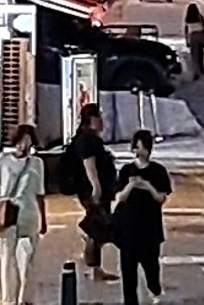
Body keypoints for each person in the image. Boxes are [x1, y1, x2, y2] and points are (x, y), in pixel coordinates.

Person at [0, 125, 46, 305]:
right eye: (22, 140)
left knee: (28, 258)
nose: (25, 145)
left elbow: (40, 194)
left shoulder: (37, 163)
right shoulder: (3, 160)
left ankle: (25, 299)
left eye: (28, 141)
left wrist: (43, 219)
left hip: (28, 214)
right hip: (6, 215)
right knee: (7, 259)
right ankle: (8, 300)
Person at [113, 130, 172, 305]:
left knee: (151, 265)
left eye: (144, 147)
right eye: (138, 147)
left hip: (150, 226)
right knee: (128, 269)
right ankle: (130, 301)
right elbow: (120, 198)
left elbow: (161, 198)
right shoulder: (126, 170)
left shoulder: (158, 171)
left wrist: (147, 186)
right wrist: (131, 185)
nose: (141, 151)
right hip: (129, 227)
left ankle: (155, 290)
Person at [63, 104, 118, 282]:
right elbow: (90, 164)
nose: (102, 121)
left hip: (94, 189)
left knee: (97, 226)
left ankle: (94, 266)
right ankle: (94, 268)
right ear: (91, 119)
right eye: (98, 117)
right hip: (91, 190)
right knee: (97, 226)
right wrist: (96, 187)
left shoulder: (89, 138)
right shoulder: (87, 140)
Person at [183, 4, 204, 80]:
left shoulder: (188, 18)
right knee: (201, 54)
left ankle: (196, 72)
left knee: (194, 55)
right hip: (200, 35)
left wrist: (187, 40)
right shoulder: (200, 17)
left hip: (193, 36)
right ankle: (202, 69)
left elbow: (186, 30)